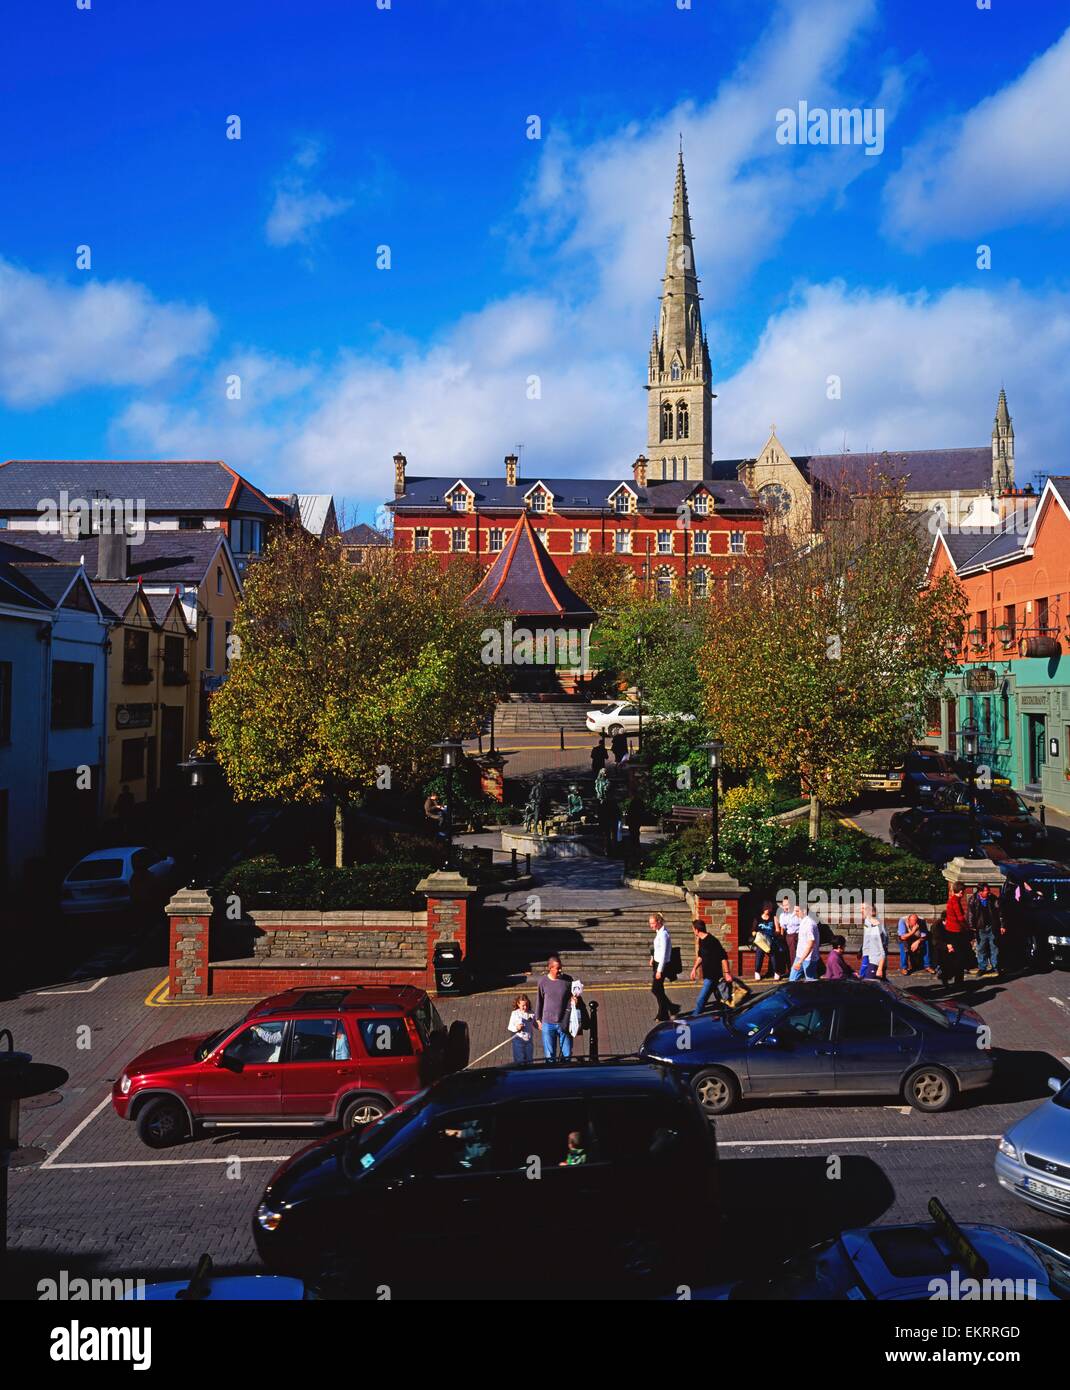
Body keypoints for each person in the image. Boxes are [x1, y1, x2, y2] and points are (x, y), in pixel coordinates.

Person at [690, 917, 733, 1012]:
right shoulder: (701, 940)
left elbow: (723, 956)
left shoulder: (712, 941)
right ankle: (729, 1012)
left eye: (693, 929)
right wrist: (694, 969)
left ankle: (694, 1018)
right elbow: (700, 956)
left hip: (712, 976)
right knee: (722, 998)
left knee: (701, 1000)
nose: (693, 931)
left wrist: (727, 973)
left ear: (697, 930)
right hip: (708, 975)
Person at [536, 955, 574, 1061]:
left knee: (567, 1055)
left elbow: (574, 996)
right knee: (550, 1056)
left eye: (561, 967)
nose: (560, 970)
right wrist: (538, 1020)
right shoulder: (542, 982)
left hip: (564, 1022)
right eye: (557, 968)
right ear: (550, 968)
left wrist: (575, 999)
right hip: (548, 1024)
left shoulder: (568, 980)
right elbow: (539, 1001)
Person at [934, 886, 969, 987]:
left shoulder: (952, 900)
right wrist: (967, 927)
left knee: (956, 958)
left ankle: (952, 979)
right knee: (959, 959)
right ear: (961, 892)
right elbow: (960, 917)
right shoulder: (955, 901)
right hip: (956, 934)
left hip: (953, 934)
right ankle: (957, 981)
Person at [968, 883, 1003, 978]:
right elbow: (970, 914)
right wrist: (972, 926)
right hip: (980, 927)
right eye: (986, 891)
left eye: (988, 890)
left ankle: (995, 966)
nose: (988, 893)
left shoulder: (993, 899)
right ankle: (982, 967)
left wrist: (1002, 925)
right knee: (981, 948)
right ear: (980, 892)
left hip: (992, 927)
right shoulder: (973, 900)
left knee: (994, 947)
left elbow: (1000, 912)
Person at [650, 912, 680, 1022]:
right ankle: (666, 1012)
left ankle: (671, 1008)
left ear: (658, 922)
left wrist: (659, 970)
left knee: (655, 989)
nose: (651, 925)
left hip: (662, 965)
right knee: (659, 989)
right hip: (657, 963)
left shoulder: (664, 935)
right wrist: (652, 957)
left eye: (652, 923)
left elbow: (663, 954)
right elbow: (657, 949)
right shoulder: (659, 932)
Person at [790, 908, 821, 981]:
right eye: (794, 911)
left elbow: (810, 945)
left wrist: (800, 961)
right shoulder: (803, 921)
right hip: (800, 956)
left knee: (810, 981)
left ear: (804, 911)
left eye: (797, 911)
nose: (795, 913)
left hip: (809, 959)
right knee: (792, 979)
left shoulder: (809, 924)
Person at [751, 902, 777, 981]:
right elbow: (753, 929)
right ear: (763, 908)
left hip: (770, 939)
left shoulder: (774, 918)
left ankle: (776, 972)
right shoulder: (758, 918)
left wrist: (774, 934)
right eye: (766, 908)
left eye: (769, 908)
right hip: (761, 940)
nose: (767, 910)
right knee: (759, 953)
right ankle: (757, 972)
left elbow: (777, 930)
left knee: (772, 955)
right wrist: (754, 933)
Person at [507, 994, 536, 1064]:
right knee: (520, 1062)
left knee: (529, 1061)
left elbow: (536, 1024)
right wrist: (517, 1027)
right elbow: (510, 1027)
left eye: (526, 1005)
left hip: (529, 1042)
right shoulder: (514, 1014)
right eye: (523, 1005)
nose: (525, 1007)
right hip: (518, 1042)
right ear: (518, 1004)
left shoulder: (532, 1013)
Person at [861, 905, 887, 979]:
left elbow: (883, 949)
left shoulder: (877, 927)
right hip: (869, 956)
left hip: (875, 961)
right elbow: (868, 939)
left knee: (867, 981)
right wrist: (862, 950)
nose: (861, 911)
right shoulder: (867, 921)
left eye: (863, 908)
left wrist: (880, 968)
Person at [567, 980, 590, 1055]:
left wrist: (576, 1004)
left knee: (567, 1049)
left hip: (568, 1026)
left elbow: (582, 1011)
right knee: (566, 1047)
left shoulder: (577, 998)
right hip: (564, 1025)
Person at [778, 896, 798, 970]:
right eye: (784, 905)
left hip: (800, 934)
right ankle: (793, 969)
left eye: (787, 905)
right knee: (791, 944)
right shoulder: (782, 915)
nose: (785, 907)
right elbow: (783, 928)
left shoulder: (797, 912)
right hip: (790, 935)